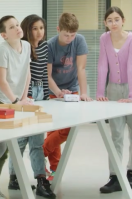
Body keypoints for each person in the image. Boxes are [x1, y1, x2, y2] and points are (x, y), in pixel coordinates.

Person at [0, 16, 55, 199]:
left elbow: (27, 73)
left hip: (17, 100)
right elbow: (1, 81)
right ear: (4, 35)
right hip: (2, 102)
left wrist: (23, 98)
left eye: (17, 25)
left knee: (10, 147)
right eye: (12, 27)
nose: (18, 28)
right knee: (0, 147)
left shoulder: (26, 46)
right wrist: (15, 101)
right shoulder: (2, 51)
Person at [96, 7, 132, 194]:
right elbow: (102, 65)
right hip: (113, 90)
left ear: (123, 20)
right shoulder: (104, 39)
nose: (113, 23)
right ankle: (114, 175)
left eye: (116, 19)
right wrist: (100, 92)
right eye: (109, 20)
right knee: (116, 135)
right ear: (105, 23)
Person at [43, 12, 92, 181]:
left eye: (73, 34)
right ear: (58, 29)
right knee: (53, 130)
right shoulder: (50, 45)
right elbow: (47, 75)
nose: (70, 38)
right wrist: (57, 92)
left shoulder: (79, 41)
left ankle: (40, 151)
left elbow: (81, 69)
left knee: (67, 129)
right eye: (66, 35)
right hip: (53, 91)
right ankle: (55, 171)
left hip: (72, 90)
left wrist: (84, 93)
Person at [21, 14, 49, 101]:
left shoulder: (44, 45)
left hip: (40, 90)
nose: (40, 32)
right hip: (27, 91)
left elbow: (44, 72)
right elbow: (25, 74)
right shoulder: (24, 46)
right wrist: (28, 95)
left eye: (41, 28)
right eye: (35, 29)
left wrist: (46, 95)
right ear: (28, 30)